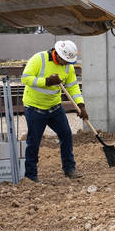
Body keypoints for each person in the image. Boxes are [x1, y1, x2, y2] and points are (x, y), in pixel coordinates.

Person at [21, 39, 87, 181]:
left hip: (55, 107)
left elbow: (73, 87)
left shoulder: (68, 67)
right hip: (35, 108)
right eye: (65, 60)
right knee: (34, 141)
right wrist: (46, 81)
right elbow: (25, 78)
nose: (66, 64)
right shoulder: (39, 59)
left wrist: (81, 105)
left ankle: (69, 168)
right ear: (57, 54)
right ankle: (31, 175)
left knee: (66, 135)